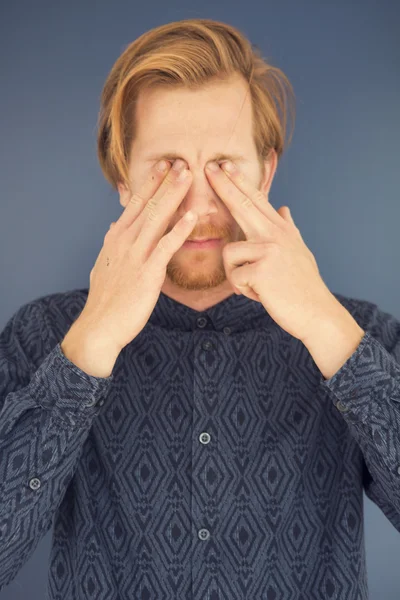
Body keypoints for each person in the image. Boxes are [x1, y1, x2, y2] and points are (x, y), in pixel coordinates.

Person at [0, 17, 399, 600]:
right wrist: (87, 350)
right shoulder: (43, 336)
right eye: (166, 167)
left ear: (266, 171)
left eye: (223, 166)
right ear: (121, 179)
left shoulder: (360, 335)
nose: (198, 201)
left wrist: (326, 329)